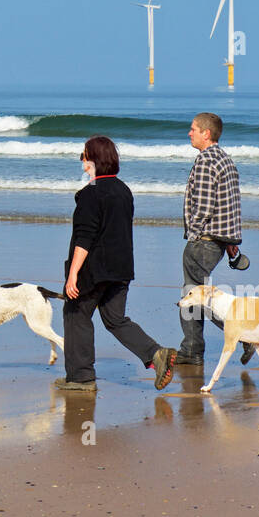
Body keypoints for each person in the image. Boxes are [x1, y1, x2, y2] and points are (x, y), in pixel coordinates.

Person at [54, 135, 178, 392]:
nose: (82, 160)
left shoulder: (91, 195)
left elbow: (84, 237)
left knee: (76, 313)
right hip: (121, 268)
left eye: (85, 156)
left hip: (95, 269)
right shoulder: (123, 190)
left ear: (95, 160)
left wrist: (73, 274)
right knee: (115, 319)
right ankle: (155, 353)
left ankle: (80, 378)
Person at [177, 112, 252, 367]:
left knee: (193, 296)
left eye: (193, 129)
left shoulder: (207, 160)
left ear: (206, 134)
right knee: (198, 294)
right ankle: (193, 348)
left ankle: (198, 349)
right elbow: (229, 205)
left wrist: (195, 233)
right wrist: (231, 242)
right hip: (220, 241)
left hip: (205, 241)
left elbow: (206, 206)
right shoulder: (226, 160)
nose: (190, 133)